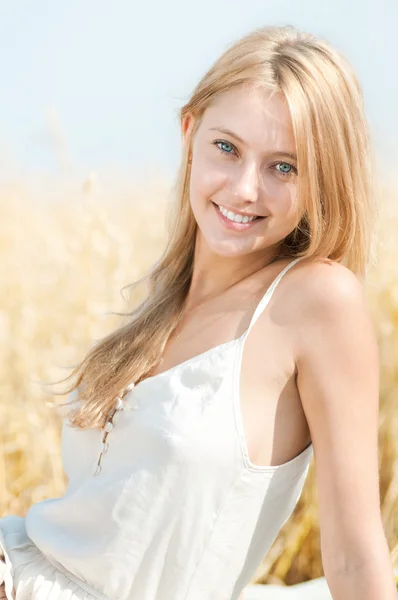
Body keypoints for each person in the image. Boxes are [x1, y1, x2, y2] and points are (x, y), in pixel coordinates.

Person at [1, 23, 397, 600]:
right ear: (190, 134)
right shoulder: (162, 297)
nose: (242, 189)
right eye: (227, 148)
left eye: (282, 167)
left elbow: (356, 559)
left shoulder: (316, 301)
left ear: (322, 180)